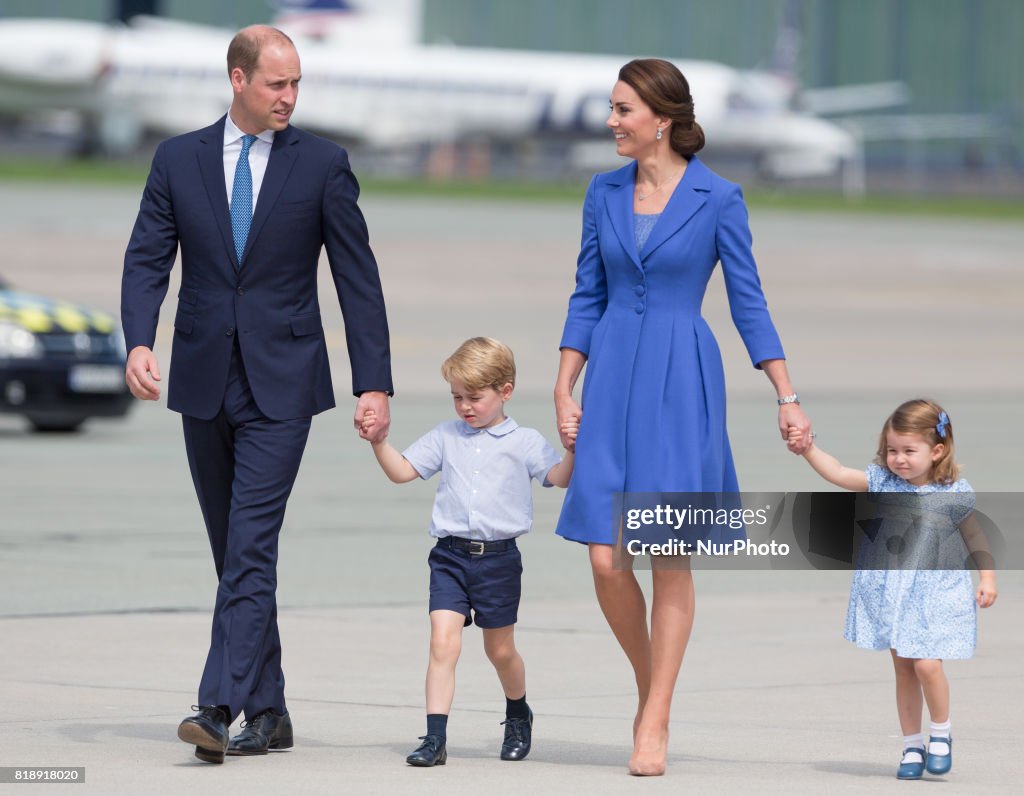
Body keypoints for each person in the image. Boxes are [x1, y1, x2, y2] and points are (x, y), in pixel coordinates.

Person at [120, 25, 393, 764]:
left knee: (250, 546)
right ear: (238, 80)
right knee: (233, 553)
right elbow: (148, 256)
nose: (291, 97)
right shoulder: (178, 160)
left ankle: (216, 705)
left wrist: (374, 382)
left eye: (297, 83)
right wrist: (139, 339)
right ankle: (269, 709)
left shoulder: (323, 164)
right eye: (278, 83)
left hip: (285, 383)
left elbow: (357, 281)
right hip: (204, 379)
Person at [552, 58, 812, 776]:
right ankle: (652, 688)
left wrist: (785, 395)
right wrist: (565, 383)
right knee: (605, 559)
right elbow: (586, 293)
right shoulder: (601, 193)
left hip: (680, 378)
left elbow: (748, 301)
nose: (611, 121)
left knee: (667, 555)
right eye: (612, 107)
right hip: (610, 378)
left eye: (623, 110)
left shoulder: (718, 198)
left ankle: (655, 717)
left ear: (660, 119)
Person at [360, 337, 576, 767]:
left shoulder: (525, 441)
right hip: (449, 557)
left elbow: (559, 477)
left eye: (475, 397)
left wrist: (573, 448)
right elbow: (403, 472)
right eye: (457, 397)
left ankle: (518, 712)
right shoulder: (446, 436)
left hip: (499, 561)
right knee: (443, 644)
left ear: (506, 391)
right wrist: (378, 442)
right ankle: (435, 738)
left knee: (500, 651)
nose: (465, 407)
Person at [793, 399, 997, 780]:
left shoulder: (953, 492)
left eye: (909, 451)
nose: (899, 459)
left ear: (937, 451)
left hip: (935, 592)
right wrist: (808, 449)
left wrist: (987, 577)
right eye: (892, 450)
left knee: (927, 664)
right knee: (904, 668)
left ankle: (941, 732)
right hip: (891, 591)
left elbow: (975, 535)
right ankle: (911, 746)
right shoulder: (883, 482)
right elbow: (837, 473)